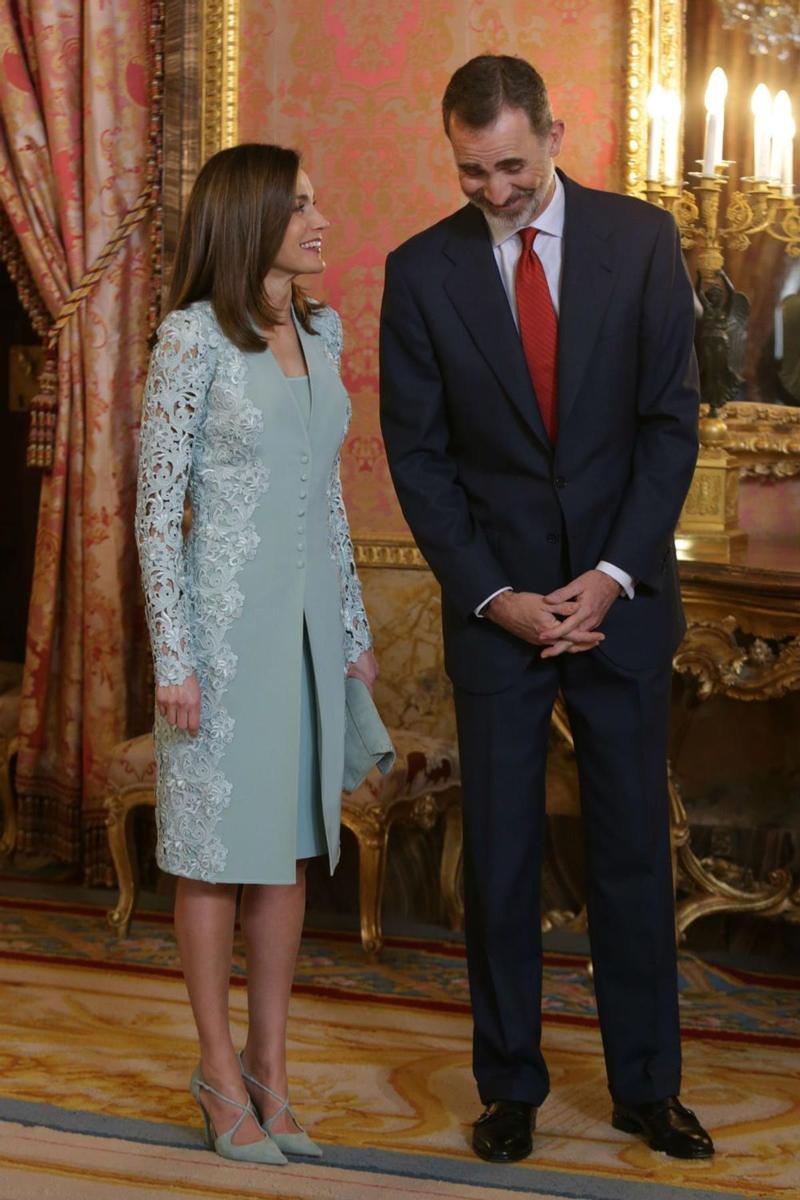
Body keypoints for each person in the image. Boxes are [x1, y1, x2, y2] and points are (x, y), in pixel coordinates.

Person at [379, 55, 712, 1165]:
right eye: (470, 171)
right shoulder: (418, 272)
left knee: (627, 853)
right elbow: (418, 462)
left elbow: (669, 424)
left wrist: (612, 574)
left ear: (554, 135)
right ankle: (507, 1085)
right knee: (504, 858)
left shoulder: (641, 240)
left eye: (510, 165)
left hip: (618, 603)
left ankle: (645, 1088)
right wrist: (495, 596)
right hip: (497, 613)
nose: (492, 189)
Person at [136, 143, 377, 1164]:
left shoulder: (319, 330)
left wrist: (355, 634)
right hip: (222, 640)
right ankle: (215, 1072)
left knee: (285, 855)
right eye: (303, 208)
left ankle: (272, 1073)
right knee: (213, 861)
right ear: (254, 223)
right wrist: (173, 659)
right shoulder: (190, 340)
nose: (322, 222)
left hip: (309, 630)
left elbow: (327, 497)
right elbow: (155, 512)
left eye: (318, 203)